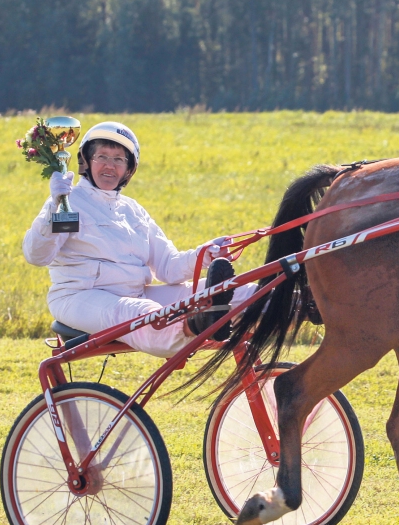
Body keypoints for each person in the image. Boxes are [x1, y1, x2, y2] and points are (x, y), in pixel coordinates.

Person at [23, 121, 255, 357]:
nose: (109, 166)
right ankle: (199, 322)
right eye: (102, 156)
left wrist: (203, 255)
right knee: (146, 313)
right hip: (79, 296)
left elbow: (168, 267)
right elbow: (37, 256)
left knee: (233, 290)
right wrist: (55, 206)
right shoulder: (69, 202)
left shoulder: (132, 210)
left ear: (129, 169)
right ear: (86, 161)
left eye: (119, 159)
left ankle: (283, 302)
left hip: (135, 293)